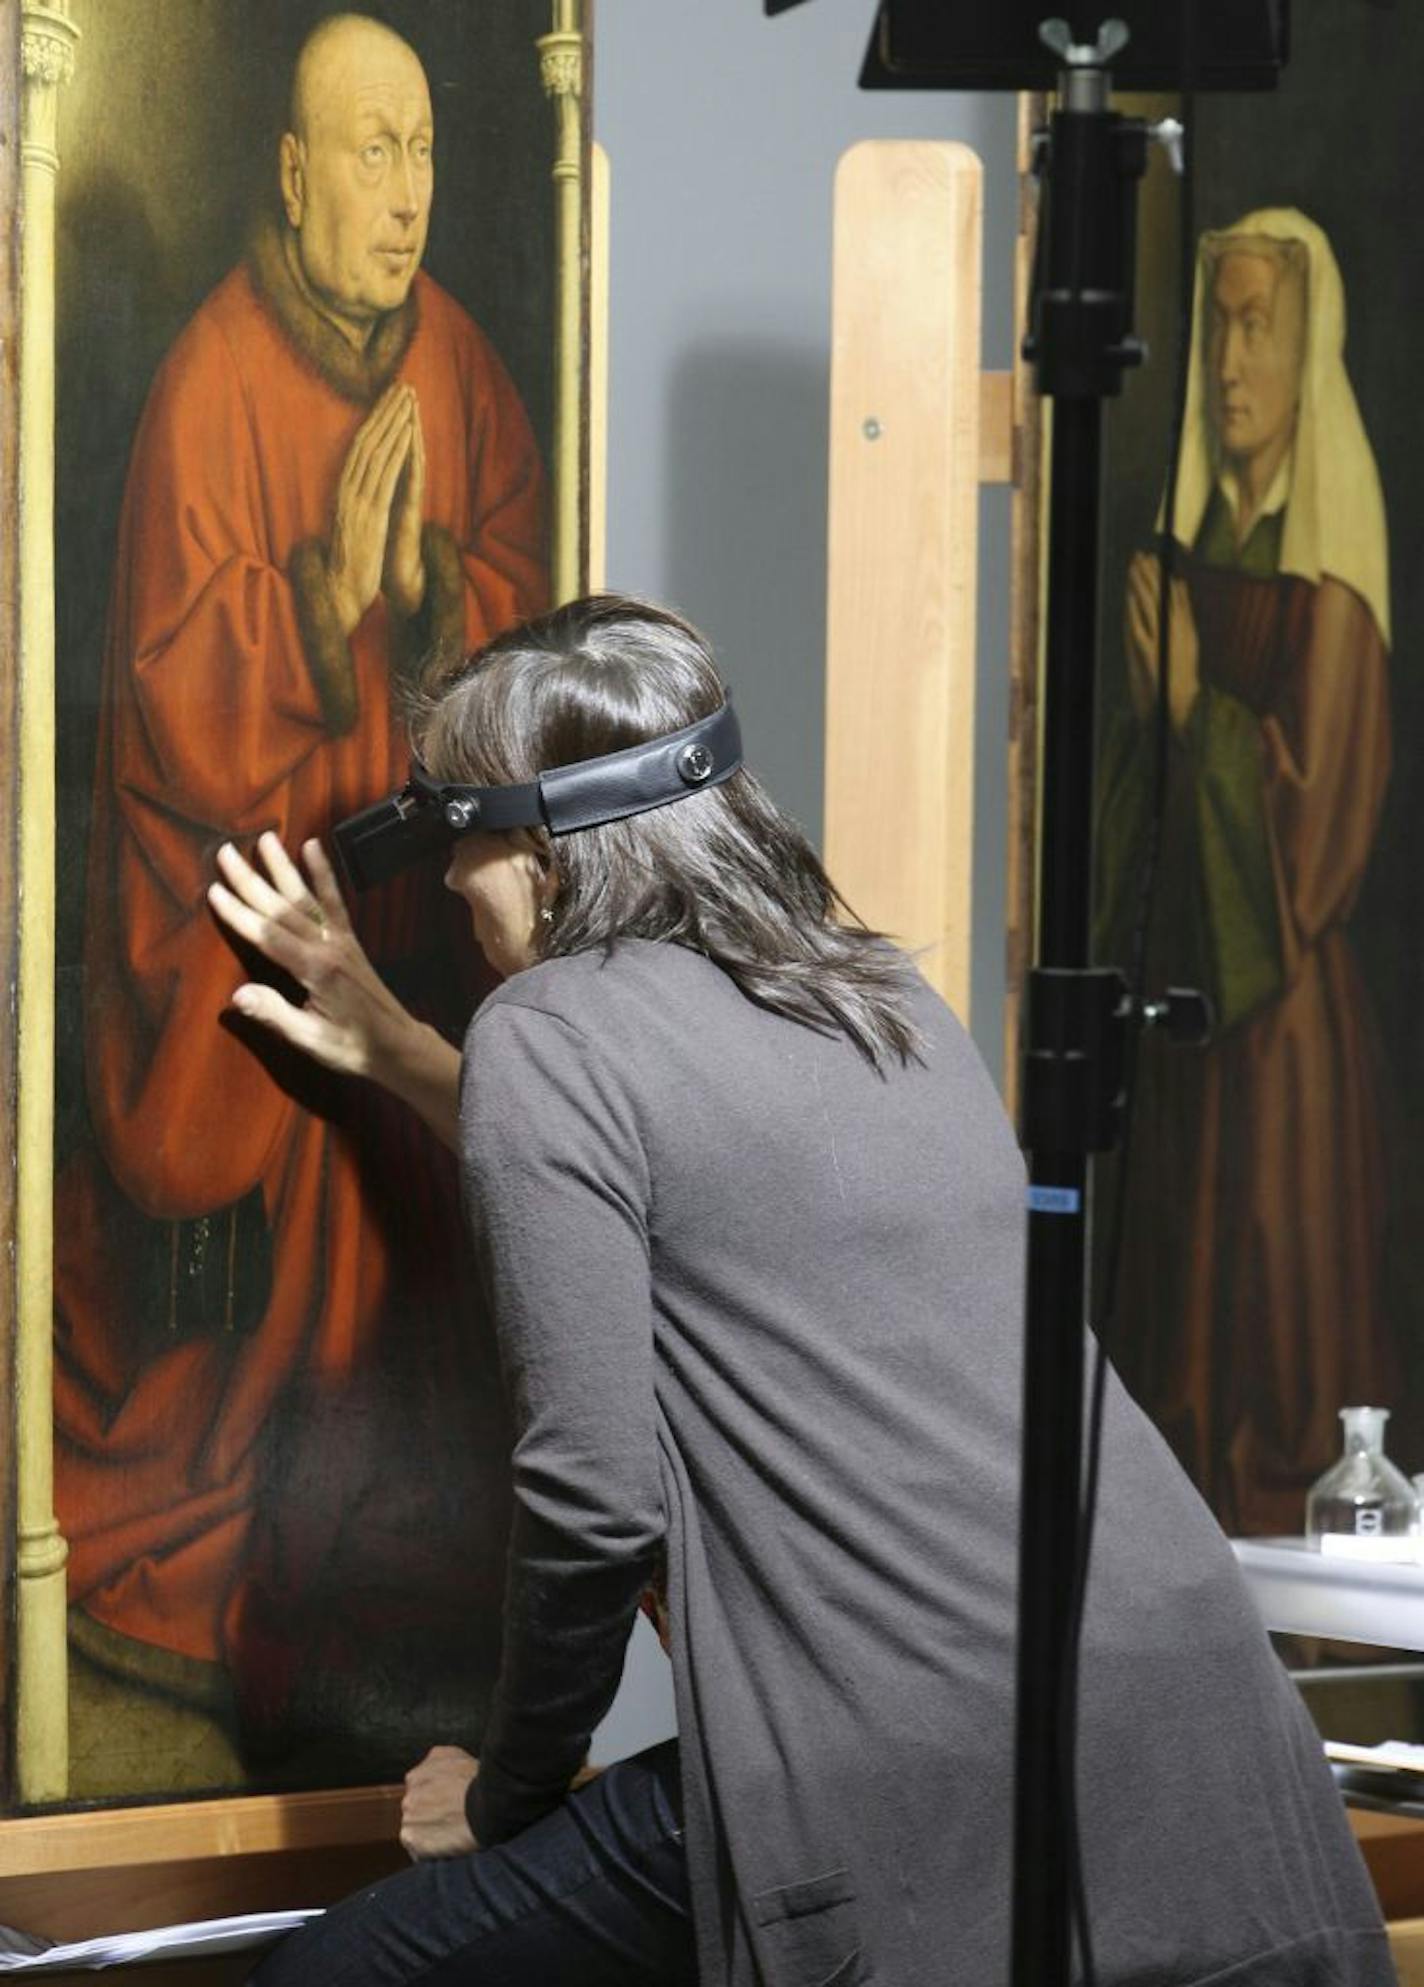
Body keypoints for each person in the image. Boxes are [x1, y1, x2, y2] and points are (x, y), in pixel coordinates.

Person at [210, 595, 1393, 1986]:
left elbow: (593, 1496)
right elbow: (668, 1176)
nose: (455, 892)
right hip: (1198, 1740)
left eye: (458, 847)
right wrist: (404, 1046)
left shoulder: (549, 1032)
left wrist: (507, 1795)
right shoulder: (882, 996)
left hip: (916, 1767)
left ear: (539, 850)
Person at [55, 11, 545, 1765]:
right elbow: (168, 715)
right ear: (290, 169)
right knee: (277, 1029)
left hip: (410, 890)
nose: (405, 194)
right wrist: (322, 583)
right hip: (240, 886)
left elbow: (522, 644)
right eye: (369, 150)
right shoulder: (211, 375)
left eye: (422, 151)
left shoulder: (466, 369)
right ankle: (252, 1513)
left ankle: (408, 1536)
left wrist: (423, 600)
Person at [1095, 209, 1393, 1537]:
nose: (1228, 361)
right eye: (1218, 323)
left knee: (1273, 1334)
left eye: (1256, 324)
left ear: (1304, 346)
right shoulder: (1183, 551)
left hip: (1283, 1049)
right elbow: (1120, 811)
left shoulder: (1331, 588)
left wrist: (1193, 711)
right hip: (1189, 1036)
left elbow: (1313, 837)